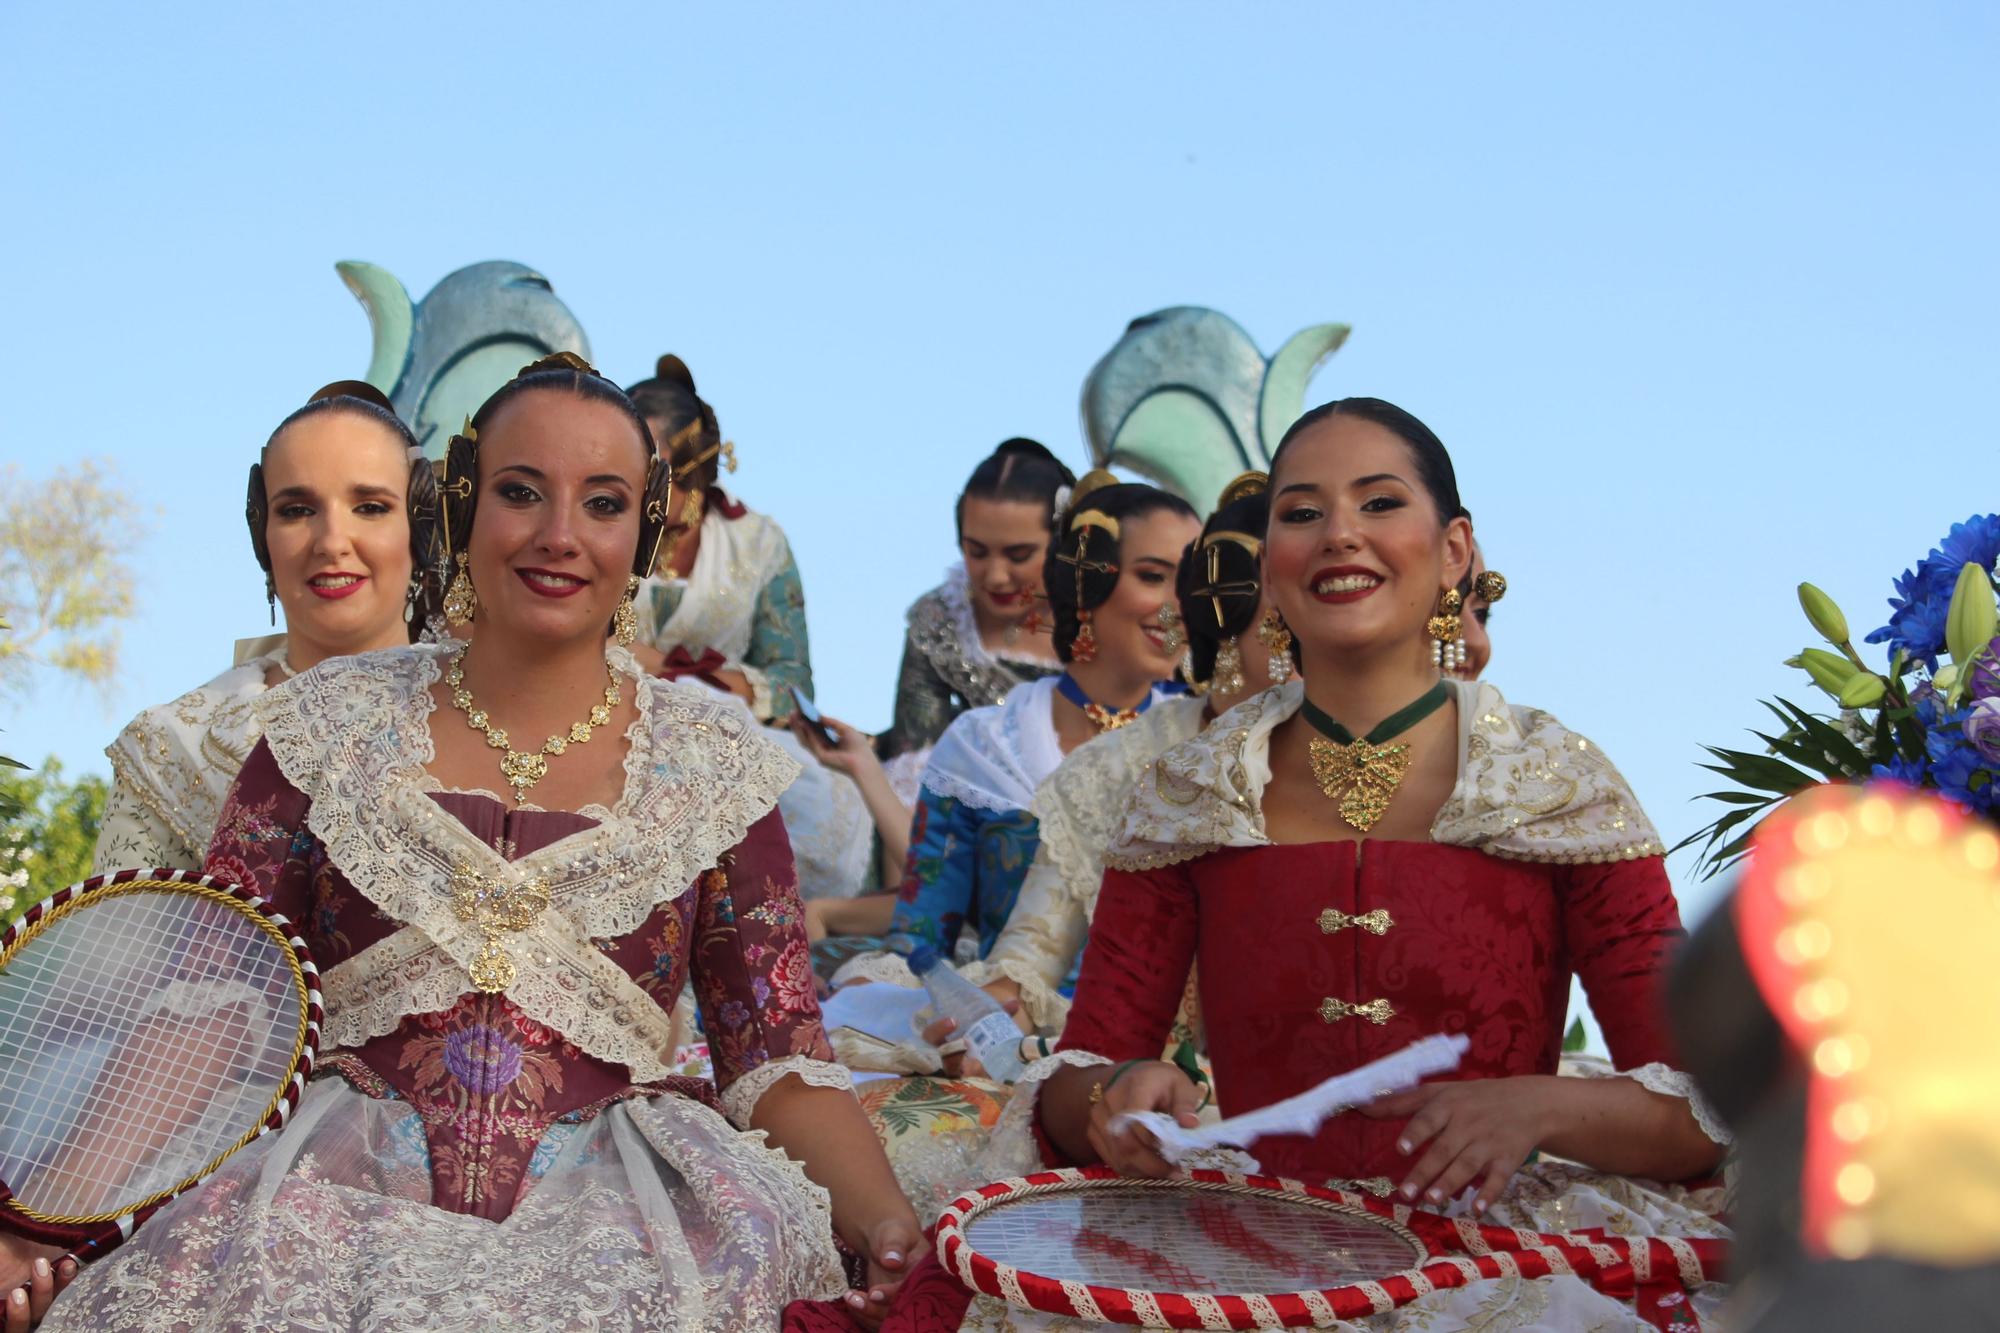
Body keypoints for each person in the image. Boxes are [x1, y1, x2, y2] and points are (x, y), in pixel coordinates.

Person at [19, 356, 920, 1332]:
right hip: (317, 1218)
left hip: (630, 1226)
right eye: (521, 491)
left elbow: (778, 1057)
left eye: (604, 502)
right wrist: (43, 1229)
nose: (559, 535)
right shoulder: (320, 730)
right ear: (459, 505)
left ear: (644, 533)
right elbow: (209, 1010)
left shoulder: (718, 770)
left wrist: (886, 1223)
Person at [1006, 399, 1730, 1329]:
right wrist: (1114, 1099)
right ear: (1270, 564)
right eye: (1302, 513)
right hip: (1240, 1254)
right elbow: (1078, 1074)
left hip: (1498, 1270)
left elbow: (1699, 1110)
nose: (1340, 534)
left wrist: (1536, 1108)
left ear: (1456, 548)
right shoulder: (1186, 792)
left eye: (1380, 503)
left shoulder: (1557, 784)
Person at [963, 471, 1282, 1039]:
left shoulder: (1386, 755)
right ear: (1228, 607)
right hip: (1145, 1082)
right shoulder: (1117, 767)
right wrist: (992, 1013)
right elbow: (1026, 964)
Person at [90, 382, 437, 875]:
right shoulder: (176, 747)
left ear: (420, 526)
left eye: (371, 507)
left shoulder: (502, 713)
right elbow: (126, 948)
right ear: (262, 533)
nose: (332, 542)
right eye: (298, 510)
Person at [866, 474, 1199, 975]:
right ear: (1087, 583)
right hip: (1015, 1031)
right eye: (1153, 577)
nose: (1180, 607)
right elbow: (920, 940)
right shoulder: (983, 748)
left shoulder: (1209, 740)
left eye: (1192, 583)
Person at [623, 354, 872, 903]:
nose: (654, 495)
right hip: (609, 723)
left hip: (729, 739)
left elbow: (794, 683)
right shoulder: (595, 529)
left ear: (704, 471)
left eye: (671, 477)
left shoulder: (758, 545)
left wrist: (688, 679)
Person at [876, 438, 1072, 801]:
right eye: (976, 552)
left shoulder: (1114, 615)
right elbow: (914, 778)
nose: (996, 577)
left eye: (1018, 555)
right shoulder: (940, 620)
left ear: (1064, 544)